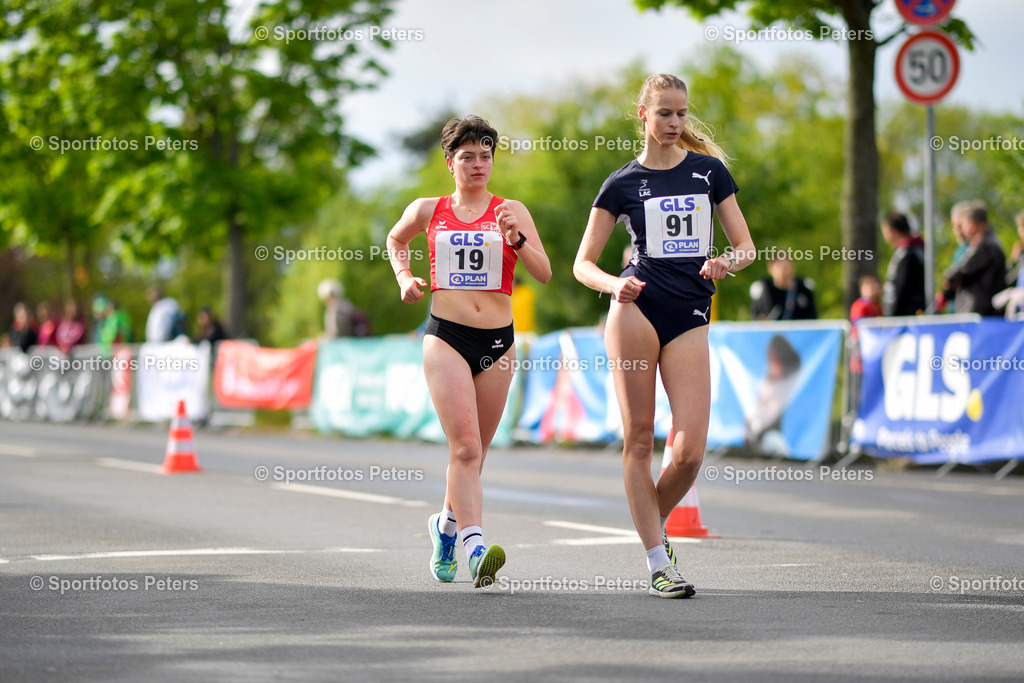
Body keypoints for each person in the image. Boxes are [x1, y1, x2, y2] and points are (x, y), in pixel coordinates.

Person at [573, 74, 754, 598]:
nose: (675, 123)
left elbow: (746, 247)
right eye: (665, 113)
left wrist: (726, 261)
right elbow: (583, 264)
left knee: (690, 452)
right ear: (643, 115)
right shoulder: (621, 184)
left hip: (690, 313)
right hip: (636, 310)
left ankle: (653, 523)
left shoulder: (709, 173)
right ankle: (658, 561)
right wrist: (615, 284)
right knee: (639, 439)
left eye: (682, 113)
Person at [385, 115, 551, 588]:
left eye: (485, 156)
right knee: (465, 447)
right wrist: (404, 277)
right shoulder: (428, 209)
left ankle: (445, 527)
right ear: (449, 163)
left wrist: (517, 238)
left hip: (498, 343)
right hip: (447, 337)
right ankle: (476, 548)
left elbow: (544, 272)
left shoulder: (511, 210)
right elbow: (396, 239)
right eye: (468, 157)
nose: (478, 164)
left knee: (474, 457)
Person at [938, 201, 1006, 316]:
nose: (962, 230)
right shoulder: (988, 243)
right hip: (983, 310)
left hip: (980, 312)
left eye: (963, 224)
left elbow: (959, 273)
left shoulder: (985, 246)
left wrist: (950, 279)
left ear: (972, 224)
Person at [880, 212, 925, 316]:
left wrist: (893, 314)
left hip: (904, 315)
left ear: (893, 231)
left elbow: (903, 288)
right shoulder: (909, 250)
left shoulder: (908, 253)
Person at [749, 252, 817, 320]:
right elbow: (755, 317)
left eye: (787, 267)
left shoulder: (804, 290)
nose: (785, 271)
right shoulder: (763, 292)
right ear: (770, 269)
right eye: (780, 267)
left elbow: (812, 319)